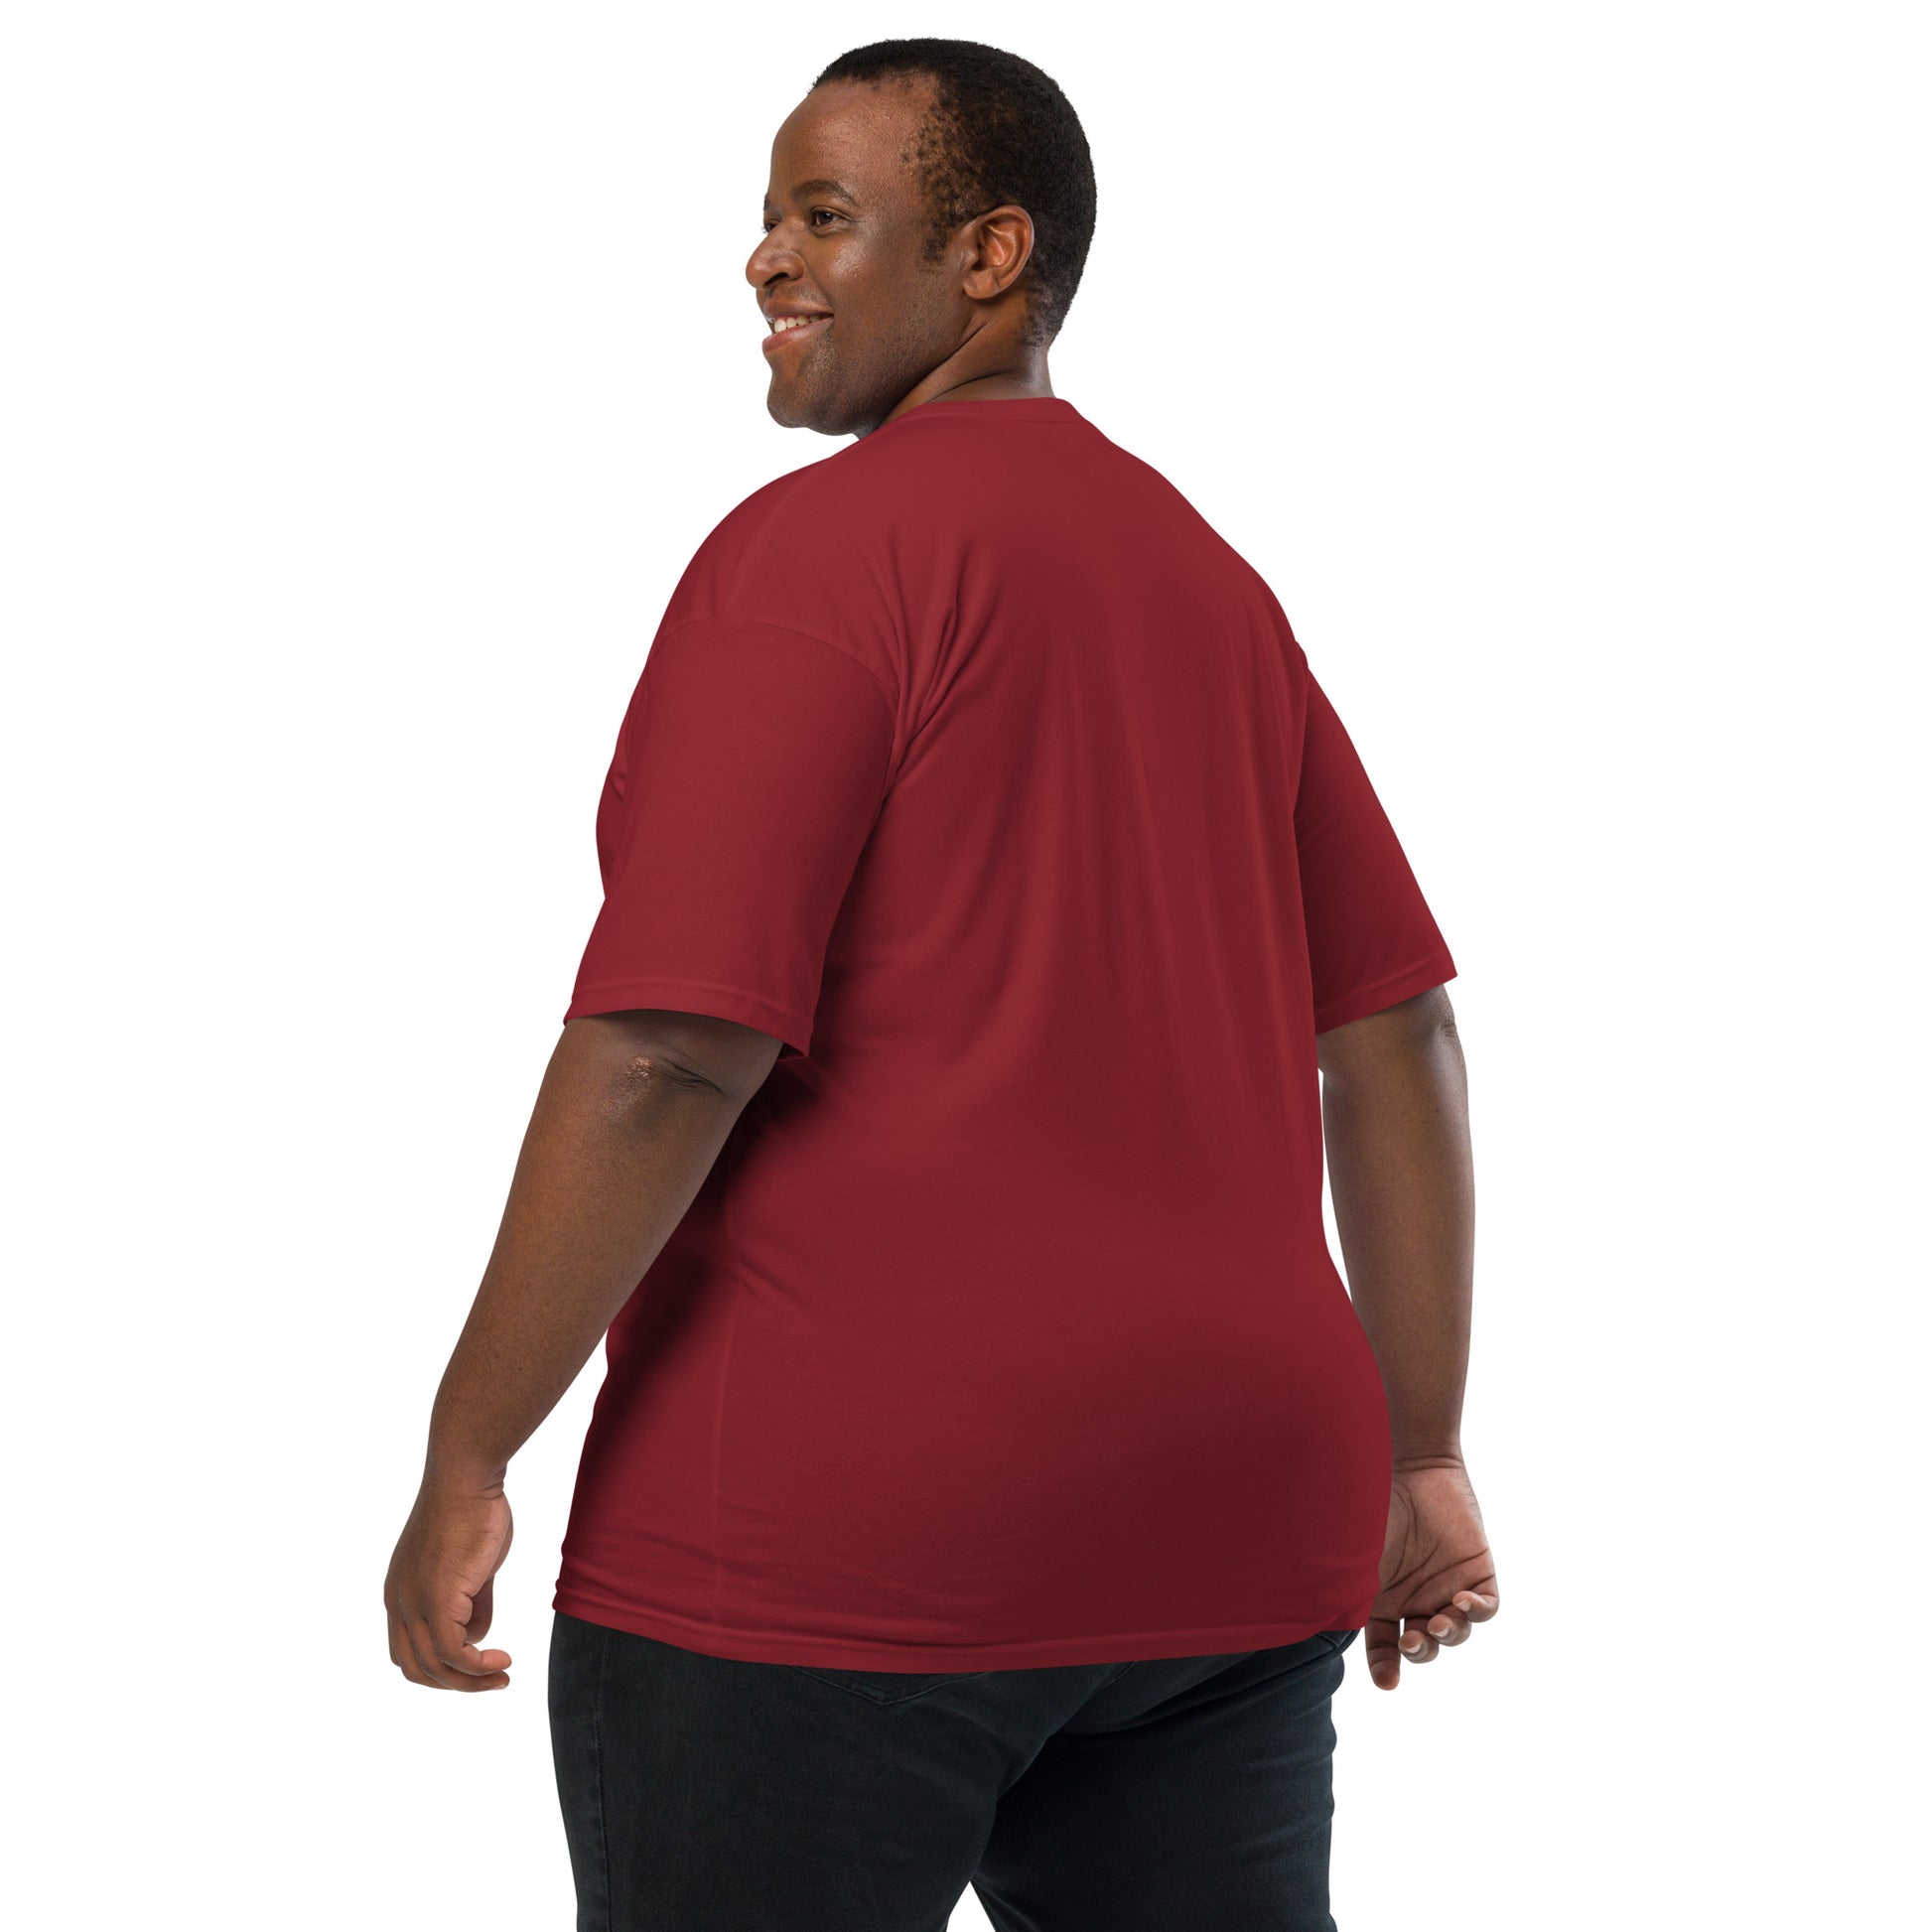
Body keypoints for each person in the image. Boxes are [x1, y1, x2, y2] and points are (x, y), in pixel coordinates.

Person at [384, 36, 1499, 1932]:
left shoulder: (814, 562)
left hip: (841, 1541)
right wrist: (1418, 1445)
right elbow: (1392, 1024)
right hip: (1226, 1529)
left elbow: (668, 1049)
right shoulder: (1203, 580)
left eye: (824, 215)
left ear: (989, 255)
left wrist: (473, 1438)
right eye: (763, 217)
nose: (763, 260)